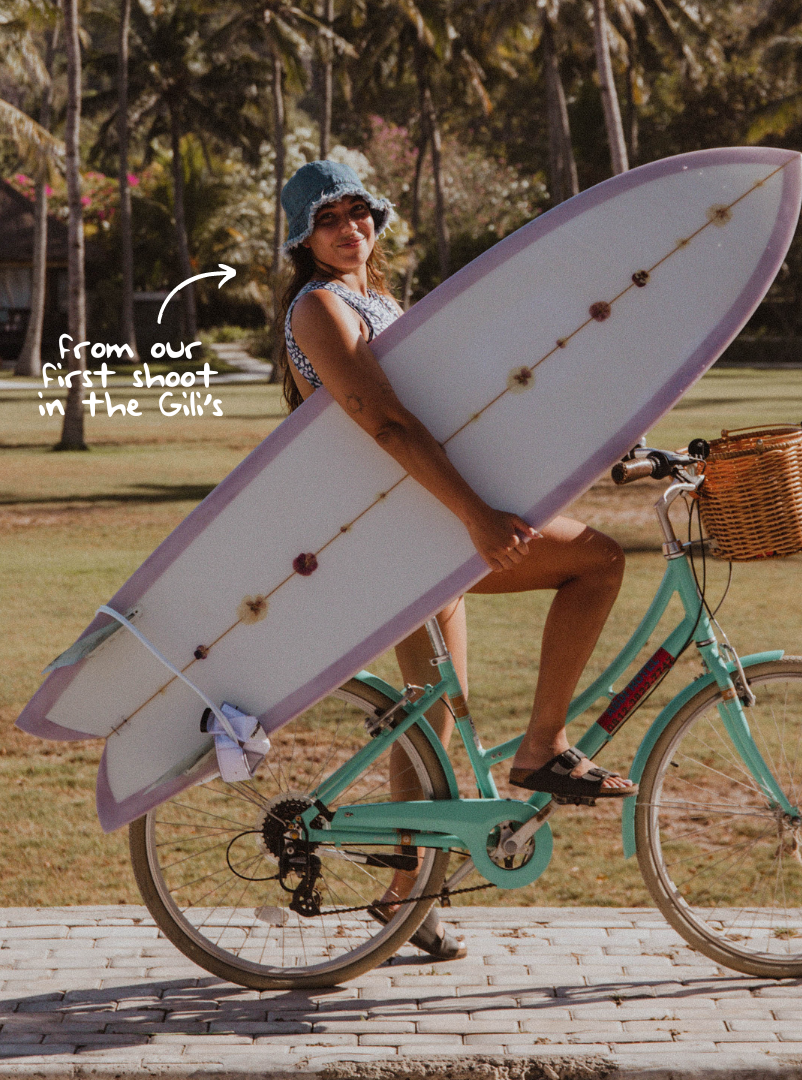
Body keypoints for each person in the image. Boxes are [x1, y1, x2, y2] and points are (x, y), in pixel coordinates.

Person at [277, 159, 635, 960]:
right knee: (599, 563)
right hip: (406, 527)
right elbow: (389, 426)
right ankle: (542, 749)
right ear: (305, 238)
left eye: (359, 213)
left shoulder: (380, 302)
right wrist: (475, 517)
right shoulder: (320, 309)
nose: (349, 230)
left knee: (430, 723)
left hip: (422, 518)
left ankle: (407, 901)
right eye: (329, 220)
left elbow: (465, 406)